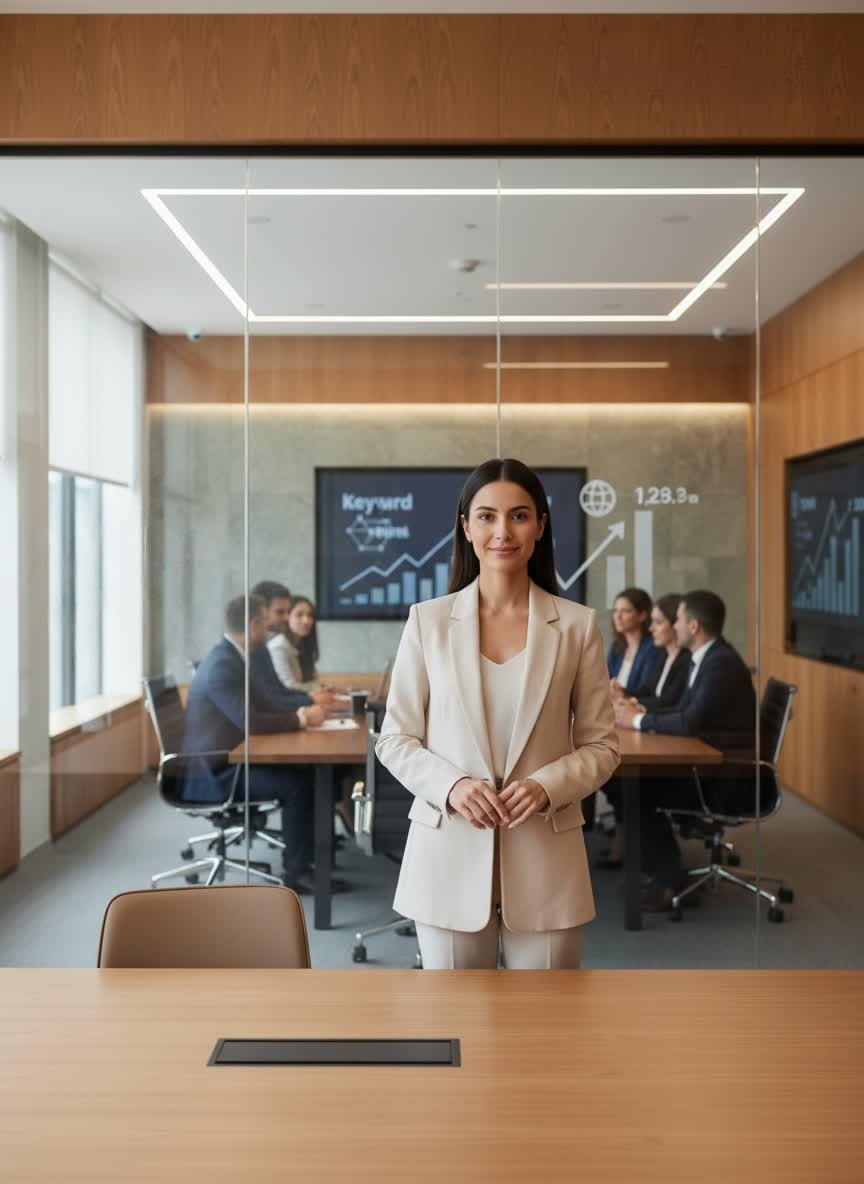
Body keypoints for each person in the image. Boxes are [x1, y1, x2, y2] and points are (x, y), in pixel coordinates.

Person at [376, 457, 620, 970]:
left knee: (547, 1031)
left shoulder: (576, 626)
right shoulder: (428, 622)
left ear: (540, 526)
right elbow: (395, 738)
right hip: (447, 854)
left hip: (546, 857)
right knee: (454, 1028)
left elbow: (602, 745)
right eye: (486, 516)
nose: (502, 532)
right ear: (466, 528)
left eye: (519, 515)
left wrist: (547, 785)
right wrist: (452, 787)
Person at [614, 590, 757, 909]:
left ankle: (668, 883)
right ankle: (664, 873)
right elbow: (680, 709)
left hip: (728, 776)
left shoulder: (720, 663)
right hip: (713, 764)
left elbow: (689, 721)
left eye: (676, 618)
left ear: (692, 626)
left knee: (637, 791)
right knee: (632, 787)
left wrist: (638, 722)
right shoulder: (708, 658)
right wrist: (640, 717)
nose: (673, 625)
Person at [181, 594, 326, 891]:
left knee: (308, 773)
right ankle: (296, 874)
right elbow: (252, 721)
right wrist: (302, 719)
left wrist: (303, 711)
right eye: (266, 621)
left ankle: (309, 861)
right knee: (298, 784)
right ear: (254, 624)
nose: (275, 626)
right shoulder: (223, 665)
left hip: (229, 757)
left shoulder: (235, 657)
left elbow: (265, 705)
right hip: (213, 773)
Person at [598, 593, 691, 869]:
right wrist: (629, 699)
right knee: (611, 778)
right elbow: (653, 694)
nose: (652, 628)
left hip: (686, 755)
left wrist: (633, 708)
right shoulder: (657, 654)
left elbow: (675, 706)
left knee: (633, 789)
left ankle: (661, 874)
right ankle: (635, 852)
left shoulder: (675, 656)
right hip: (651, 730)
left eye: (658, 622)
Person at [251, 581, 333, 711]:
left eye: (287, 612)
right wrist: (310, 701)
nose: (286, 618)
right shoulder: (271, 647)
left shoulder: (262, 649)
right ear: (261, 613)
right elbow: (281, 692)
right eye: (280, 612)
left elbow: (277, 693)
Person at [606, 587, 655, 697]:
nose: (618, 616)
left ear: (642, 615)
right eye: (616, 611)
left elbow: (646, 690)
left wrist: (621, 692)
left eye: (625, 611)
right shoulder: (616, 646)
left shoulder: (652, 647)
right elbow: (605, 680)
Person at [269, 595, 322, 692]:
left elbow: (315, 681)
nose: (306, 621)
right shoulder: (278, 647)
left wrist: (322, 688)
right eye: (299, 615)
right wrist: (318, 688)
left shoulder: (303, 646)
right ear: (287, 617)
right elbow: (289, 687)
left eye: (310, 615)